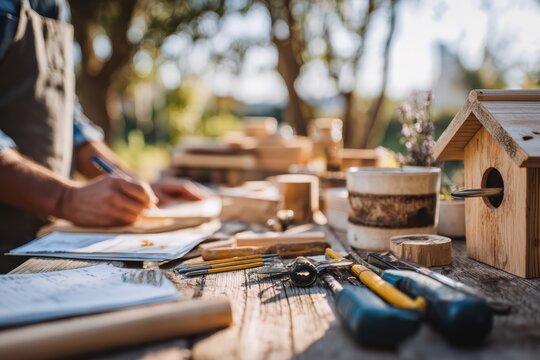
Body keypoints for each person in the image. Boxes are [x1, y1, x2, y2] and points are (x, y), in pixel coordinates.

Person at [0, 0, 207, 273]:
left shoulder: (56, 5)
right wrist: (65, 199)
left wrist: (134, 188)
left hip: (39, 240)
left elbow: (68, 122)